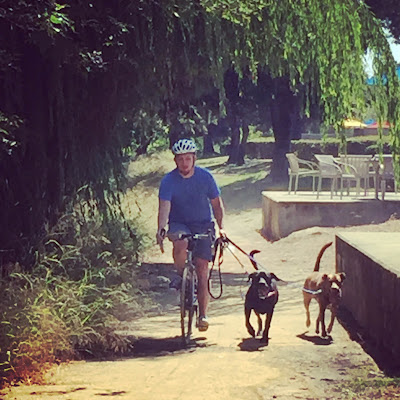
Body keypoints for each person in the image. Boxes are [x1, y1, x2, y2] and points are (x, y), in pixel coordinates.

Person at [156, 138, 225, 332]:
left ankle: (203, 315)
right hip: (179, 223)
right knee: (180, 243)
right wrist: (161, 228)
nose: (184, 163)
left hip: (203, 224)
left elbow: (217, 205)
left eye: (188, 158)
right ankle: (182, 276)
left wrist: (221, 228)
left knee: (202, 269)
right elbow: (164, 208)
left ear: (194, 158)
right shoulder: (168, 181)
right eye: (180, 159)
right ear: (175, 161)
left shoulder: (206, 177)